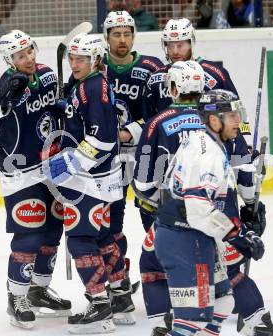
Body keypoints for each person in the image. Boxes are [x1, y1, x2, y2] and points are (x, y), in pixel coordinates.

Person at [0, 30, 71, 329]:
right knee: (29, 234)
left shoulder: (45, 75)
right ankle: (16, 297)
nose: (28, 58)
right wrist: (3, 103)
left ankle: (38, 290)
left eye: (30, 51)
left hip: (52, 166)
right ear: (9, 60)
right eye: (20, 55)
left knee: (53, 230)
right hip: (21, 173)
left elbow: (56, 110)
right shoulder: (7, 84)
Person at [153, 88, 264, 336]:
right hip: (184, 240)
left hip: (190, 236)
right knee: (192, 321)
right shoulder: (207, 154)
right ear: (214, 120)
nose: (238, 121)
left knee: (223, 300)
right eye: (232, 115)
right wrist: (237, 234)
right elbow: (198, 208)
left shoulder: (203, 141)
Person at [45, 33, 126, 334]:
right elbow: (82, 120)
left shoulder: (94, 87)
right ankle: (121, 298)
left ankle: (100, 306)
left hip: (90, 180)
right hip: (99, 178)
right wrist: (63, 107)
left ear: (96, 60)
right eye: (72, 58)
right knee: (103, 237)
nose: (74, 63)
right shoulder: (87, 84)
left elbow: (102, 138)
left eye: (81, 59)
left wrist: (69, 163)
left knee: (80, 240)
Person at [102, 10, 164, 315]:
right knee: (111, 221)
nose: (122, 39)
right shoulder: (96, 65)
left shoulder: (152, 68)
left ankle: (166, 276)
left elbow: (162, 110)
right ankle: (118, 281)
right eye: (116, 34)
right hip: (108, 159)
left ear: (134, 36)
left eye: (127, 34)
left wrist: (133, 130)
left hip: (144, 155)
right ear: (107, 37)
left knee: (151, 216)